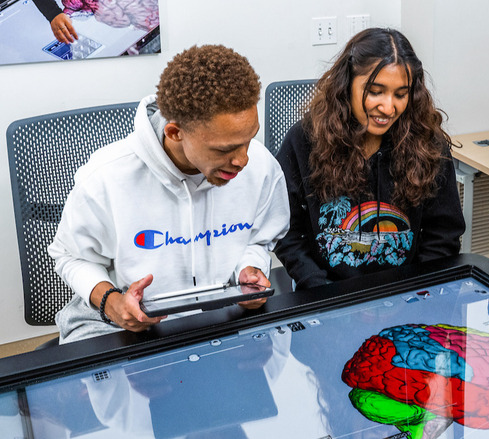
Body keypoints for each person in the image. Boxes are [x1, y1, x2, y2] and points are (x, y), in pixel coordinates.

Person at [49, 45, 290, 343]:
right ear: (175, 132)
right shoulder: (106, 178)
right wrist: (112, 303)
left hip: (221, 315)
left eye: (249, 139)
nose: (243, 160)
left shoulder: (262, 167)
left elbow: (258, 238)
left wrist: (249, 269)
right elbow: (70, 257)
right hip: (121, 326)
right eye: (224, 149)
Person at [274, 28, 465, 290]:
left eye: (400, 94)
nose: (388, 108)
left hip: (407, 292)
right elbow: (287, 231)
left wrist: (414, 292)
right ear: (347, 84)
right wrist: (319, 288)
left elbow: (443, 236)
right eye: (375, 91)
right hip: (325, 292)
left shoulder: (428, 144)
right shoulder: (305, 140)